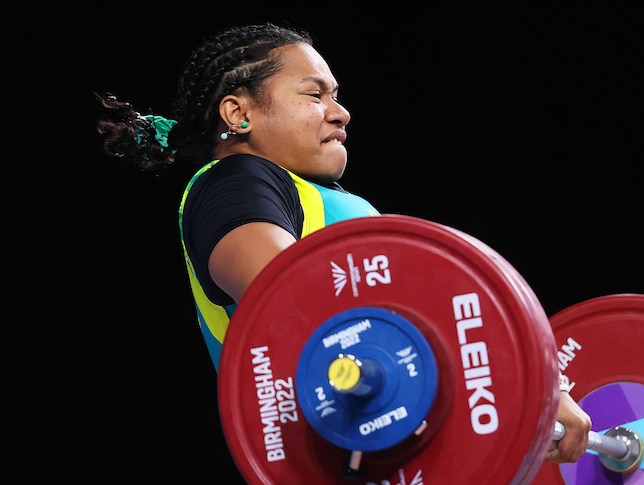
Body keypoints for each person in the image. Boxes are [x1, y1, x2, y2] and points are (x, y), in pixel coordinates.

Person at [94, 22, 591, 467]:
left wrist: (534, 386)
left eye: (336, 95)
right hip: (347, 444)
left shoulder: (306, 195)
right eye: (314, 95)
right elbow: (294, 299)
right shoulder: (234, 181)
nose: (341, 113)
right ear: (238, 112)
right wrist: (522, 383)